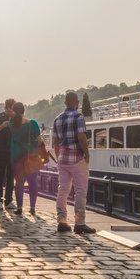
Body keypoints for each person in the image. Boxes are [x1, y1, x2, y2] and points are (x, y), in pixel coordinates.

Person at [52, 92, 95, 234]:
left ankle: (62, 221)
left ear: (65, 103)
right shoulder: (78, 116)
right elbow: (81, 137)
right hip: (77, 159)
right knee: (81, 191)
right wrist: (87, 154)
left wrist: (59, 157)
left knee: (63, 189)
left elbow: (55, 143)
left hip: (62, 160)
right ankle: (80, 223)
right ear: (77, 102)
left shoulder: (57, 119)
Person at [7, 102, 42, 216]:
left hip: (17, 157)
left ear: (14, 111)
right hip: (31, 157)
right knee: (33, 182)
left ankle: (20, 207)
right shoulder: (33, 123)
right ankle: (32, 207)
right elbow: (40, 141)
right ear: (24, 110)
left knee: (19, 182)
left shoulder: (11, 124)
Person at [0, 99, 15, 211]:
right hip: (0, 150)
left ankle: (9, 200)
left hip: (13, 150)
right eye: (10, 110)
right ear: (5, 108)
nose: (11, 113)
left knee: (11, 176)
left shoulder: (16, 118)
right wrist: (2, 126)